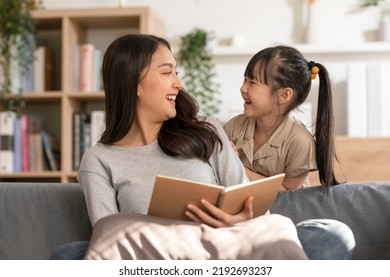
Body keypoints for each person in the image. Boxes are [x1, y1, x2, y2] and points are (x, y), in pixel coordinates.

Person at [50, 34, 354, 260]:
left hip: (226, 250)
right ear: (135, 84)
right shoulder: (99, 160)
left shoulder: (205, 130)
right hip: (159, 262)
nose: (178, 83)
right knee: (70, 255)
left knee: (330, 234)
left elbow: (251, 207)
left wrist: (242, 220)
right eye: (167, 72)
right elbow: (110, 240)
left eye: (176, 72)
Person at [224, 45, 339, 191]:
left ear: (283, 95)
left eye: (252, 82)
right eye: (245, 80)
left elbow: (286, 192)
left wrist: (237, 167)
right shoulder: (234, 127)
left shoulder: (301, 143)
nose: (243, 88)